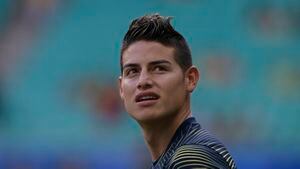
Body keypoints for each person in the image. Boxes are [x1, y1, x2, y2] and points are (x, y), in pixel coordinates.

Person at [118, 14, 237, 169]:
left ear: (190, 79)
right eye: (133, 71)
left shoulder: (192, 158)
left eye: (159, 68)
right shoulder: (179, 154)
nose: (143, 81)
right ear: (121, 88)